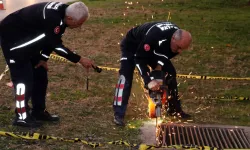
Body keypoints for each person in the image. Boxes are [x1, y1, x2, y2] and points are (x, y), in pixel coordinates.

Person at [0, 1, 94, 127]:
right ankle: (21, 117)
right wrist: (80, 59)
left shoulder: (64, 13)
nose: (79, 27)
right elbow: (57, 45)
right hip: (14, 42)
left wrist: (43, 58)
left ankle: (38, 111)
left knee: (40, 75)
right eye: (78, 24)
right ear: (70, 18)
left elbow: (51, 38)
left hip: (30, 41)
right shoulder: (53, 18)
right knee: (24, 81)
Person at [113, 21, 192, 126]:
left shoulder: (176, 39)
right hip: (132, 46)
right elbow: (139, 59)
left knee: (170, 72)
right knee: (125, 76)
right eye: (178, 47)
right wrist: (148, 80)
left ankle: (174, 109)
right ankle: (119, 114)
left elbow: (164, 56)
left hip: (151, 49)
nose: (179, 51)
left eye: (182, 49)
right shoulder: (154, 36)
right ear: (173, 38)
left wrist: (158, 70)